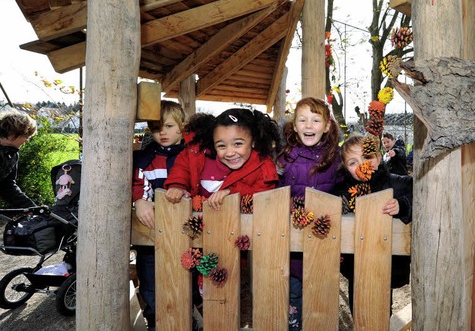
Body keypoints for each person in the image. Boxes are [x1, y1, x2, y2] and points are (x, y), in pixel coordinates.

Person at [276, 97, 342, 330]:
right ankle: (294, 324)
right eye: (302, 120)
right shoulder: (287, 156)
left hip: (323, 232)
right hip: (293, 232)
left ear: (326, 126)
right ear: (294, 126)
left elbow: (344, 187)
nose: (308, 125)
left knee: (321, 286)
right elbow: (276, 187)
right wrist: (286, 204)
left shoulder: (335, 157)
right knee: (294, 286)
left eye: (315, 120)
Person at [332, 134, 412, 314]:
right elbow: (329, 203)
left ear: (377, 157)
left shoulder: (396, 182)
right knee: (358, 308)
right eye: (353, 163)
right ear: (345, 169)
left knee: (381, 308)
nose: (361, 165)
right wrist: (339, 203)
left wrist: (402, 205)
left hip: (387, 261)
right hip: (356, 264)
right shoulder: (345, 189)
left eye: (366, 157)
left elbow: (419, 192)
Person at [131, 100, 187, 331]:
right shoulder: (146, 159)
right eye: (156, 128)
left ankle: (185, 319)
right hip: (152, 235)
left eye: (169, 126)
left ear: (182, 126)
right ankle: (157, 321)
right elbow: (139, 182)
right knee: (151, 281)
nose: (163, 132)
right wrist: (140, 201)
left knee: (186, 281)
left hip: (185, 235)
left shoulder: (191, 156)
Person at [164, 108, 281, 208]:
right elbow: (183, 168)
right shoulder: (198, 154)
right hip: (197, 222)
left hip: (238, 226)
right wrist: (177, 186)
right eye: (221, 146)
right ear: (213, 144)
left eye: (238, 144)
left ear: (253, 142)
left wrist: (232, 192)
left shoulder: (262, 166)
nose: (230, 153)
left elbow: (264, 197)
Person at [0, 110, 38, 208]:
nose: (27, 140)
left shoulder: (12, 155)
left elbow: (7, 185)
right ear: (12, 133)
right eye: (26, 136)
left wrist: (30, 207)